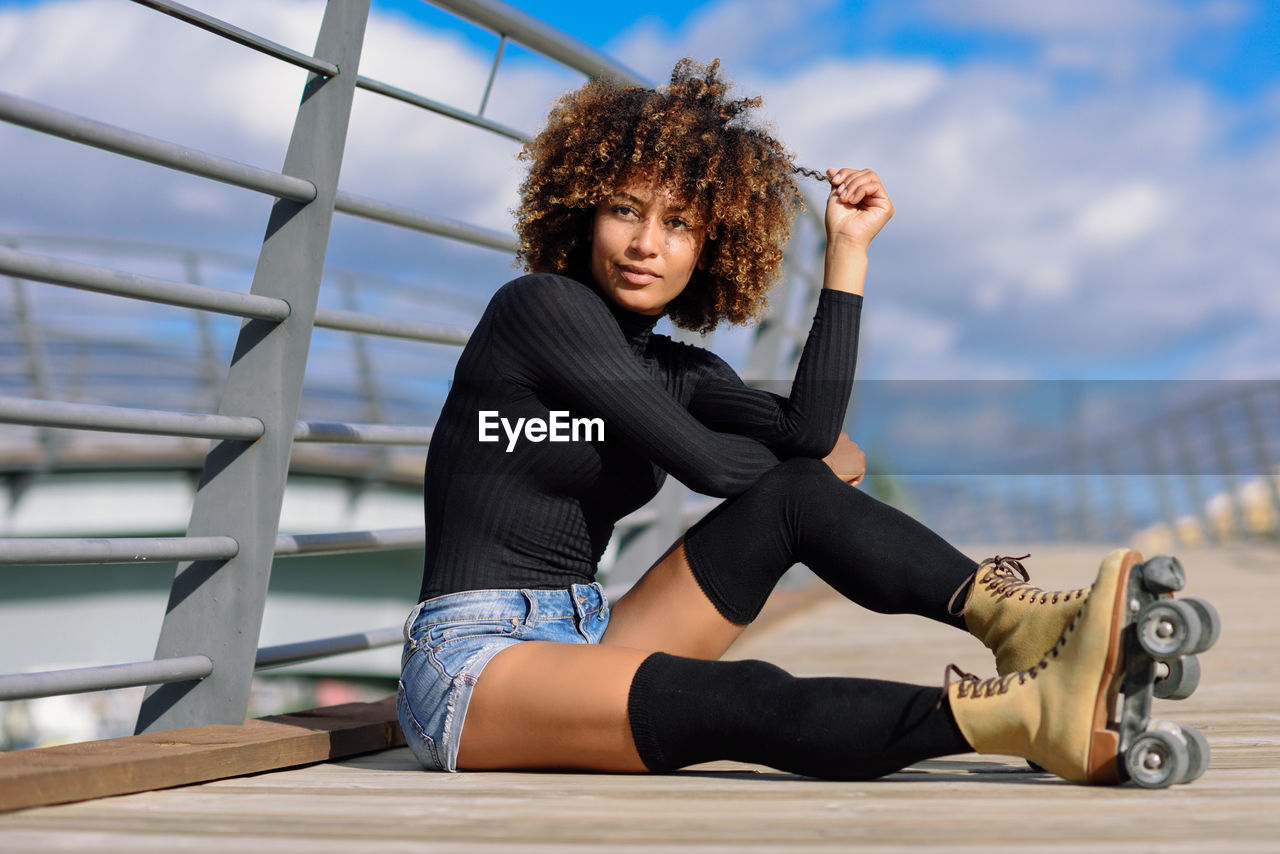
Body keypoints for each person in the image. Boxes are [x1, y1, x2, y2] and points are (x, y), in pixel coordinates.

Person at [398, 58, 1134, 784]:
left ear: (710, 249)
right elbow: (714, 468)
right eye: (625, 209)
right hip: (470, 665)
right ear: (585, 212)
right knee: (743, 694)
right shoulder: (539, 309)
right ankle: (1034, 715)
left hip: (586, 633)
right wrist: (813, 470)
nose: (646, 244)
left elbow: (810, 433)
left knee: (796, 497)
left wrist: (847, 248)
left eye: (678, 223)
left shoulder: (679, 371)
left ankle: (1024, 625)